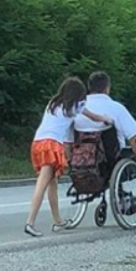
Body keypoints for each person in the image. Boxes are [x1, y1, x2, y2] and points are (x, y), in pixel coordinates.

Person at [25, 77, 112, 237]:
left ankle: (58, 221)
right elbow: (93, 117)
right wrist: (106, 119)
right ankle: (30, 222)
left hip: (38, 142)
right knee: (42, 183)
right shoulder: (75, 107)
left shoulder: (53, 103)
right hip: (51, 144)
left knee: (52, 183)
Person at [74, 71, 136, 180]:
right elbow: (135, 139)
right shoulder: (116, 108)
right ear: (107, 88)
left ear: (89, 87)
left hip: (80, 161)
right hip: (111, 163)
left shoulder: (76, 110)